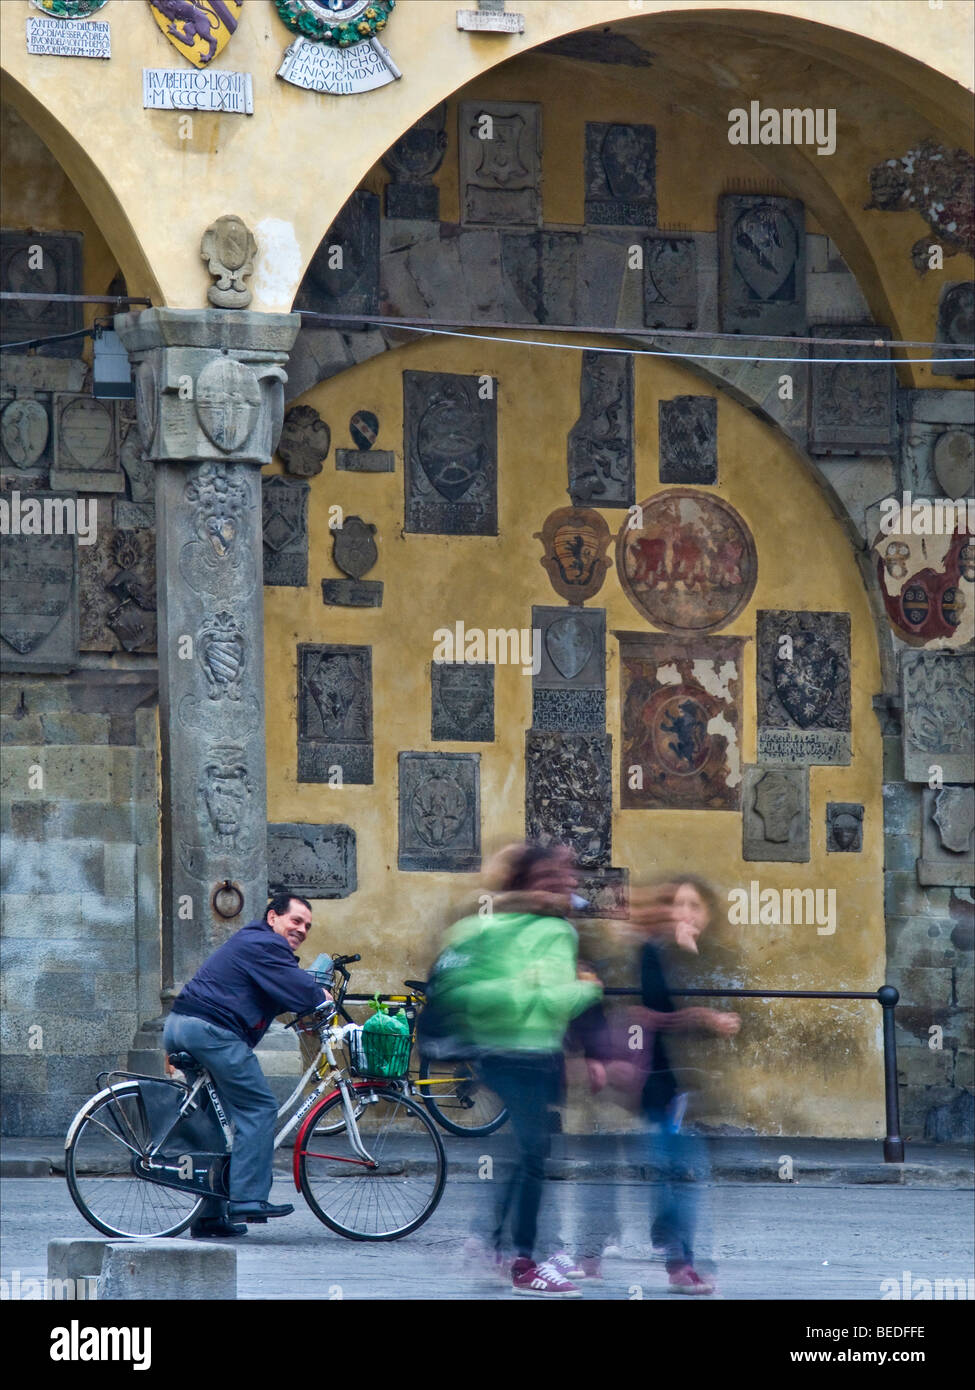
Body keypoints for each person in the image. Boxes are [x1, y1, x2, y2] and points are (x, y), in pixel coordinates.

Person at [439, 840, 603, 1297]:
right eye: (560, 875)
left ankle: (494, 1243)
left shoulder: (480, 926)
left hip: (497, 1053)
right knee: (532, 1154)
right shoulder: (554, 933)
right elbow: (553, 1000)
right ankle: (524, 1262)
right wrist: (588, 987)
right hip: (527, 1055)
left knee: (527, 1151)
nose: (570, 883)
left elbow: (458, 991)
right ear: (536, 882)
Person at [162, 893, 329, 1238]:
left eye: (307, 926)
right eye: (295, 921)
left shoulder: (256, 944)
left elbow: (281, 992)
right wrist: (320, 997)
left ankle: (208, 1217)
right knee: (260, 1107)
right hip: (211, 1032)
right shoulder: (266, 944)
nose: (301, 929)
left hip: (182, 1026)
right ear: (273, 917)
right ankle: (249, 1199)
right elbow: (299, 987)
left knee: (211, 1124)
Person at [631, 875, 740, 1293]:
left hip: (692, 1089)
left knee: (677, 1171)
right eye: (682, 904)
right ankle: (681, 1262)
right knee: (681, 1173)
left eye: (697, 906)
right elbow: (647, 1015)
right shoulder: (652, 954)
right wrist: (702, 1017)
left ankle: (669, 1241)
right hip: (659, 1083)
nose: (689, 914)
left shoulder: (704, 956)